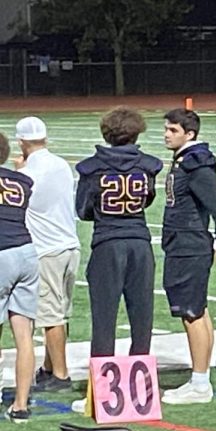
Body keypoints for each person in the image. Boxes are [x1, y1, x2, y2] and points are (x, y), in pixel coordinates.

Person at [75, 106, 163, 359]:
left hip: (107, 243)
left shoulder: (91, 168)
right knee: (142, 315)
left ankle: (102, 384)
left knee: (104, 316)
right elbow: (148, 199)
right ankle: (140, 380)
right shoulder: (148, 166)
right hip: (139, 242)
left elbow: (83, 210)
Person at [159, 108, 216, 405]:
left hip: (189, 244)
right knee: (197, 311)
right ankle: (200, 377)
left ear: (189, 134)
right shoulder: (184, 161)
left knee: (192, 313)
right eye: (166, 129)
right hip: (183, 243)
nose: (166, 134)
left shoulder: (195, 165)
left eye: (173, 130)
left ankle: (200, 382)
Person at [13, 116, 80, 393]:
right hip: (69, 245)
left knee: (49, 315)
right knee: (60, 311)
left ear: (22, 142)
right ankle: (51, 367)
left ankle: (60, 375)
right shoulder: (61, 164)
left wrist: (19, 170)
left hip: (46, 249)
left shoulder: (28, 173)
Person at [0, 132, 40, 423]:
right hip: (26, 252)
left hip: (1, 252)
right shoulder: (23, 180)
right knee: (23, 334)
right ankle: (21, 404)